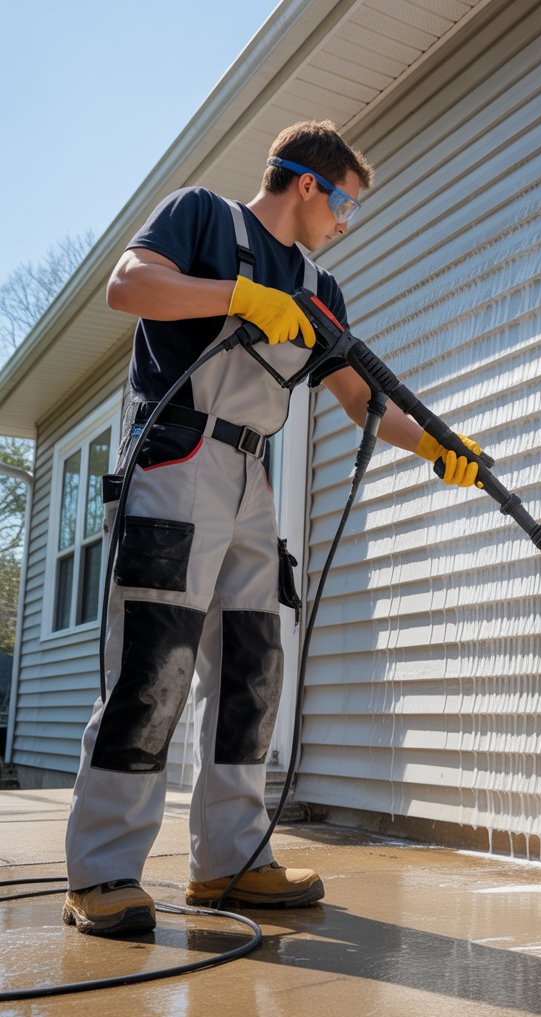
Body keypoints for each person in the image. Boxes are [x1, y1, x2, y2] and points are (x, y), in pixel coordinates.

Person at [62, 119, 482, 936]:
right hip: (177, 459)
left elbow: (362, 399)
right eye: (345, 205)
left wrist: (439, 445)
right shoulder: (202, 218)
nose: (345, 224)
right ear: (307, 185)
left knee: (253, 673)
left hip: (253, 480)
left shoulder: (322, 291)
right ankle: (105, 870)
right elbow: (129, 286)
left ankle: (231, 860)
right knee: (155, 666)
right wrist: (241, 296)